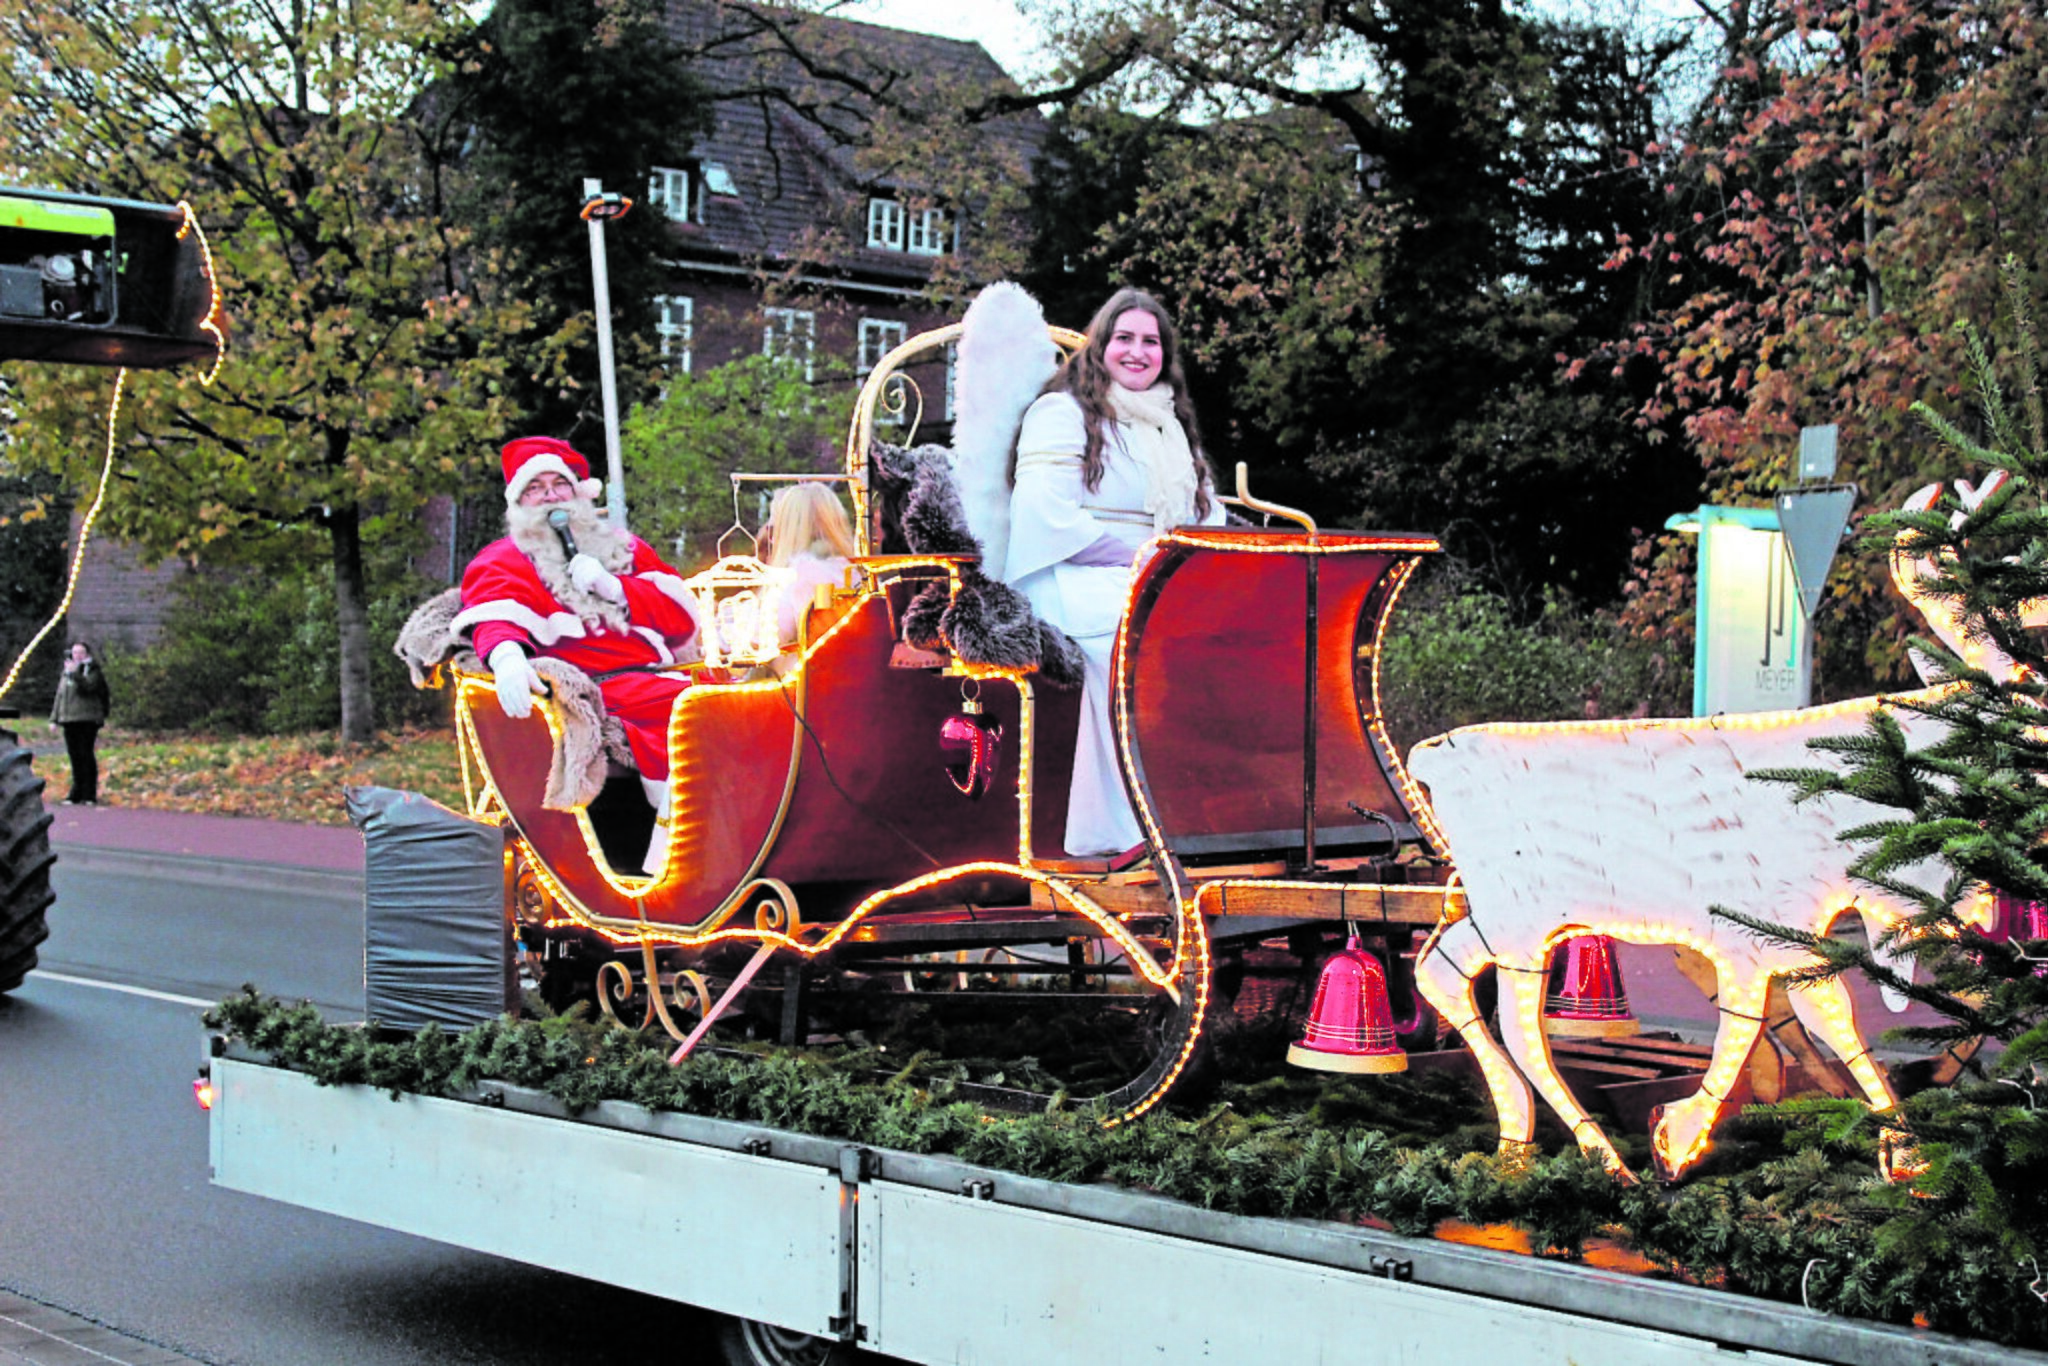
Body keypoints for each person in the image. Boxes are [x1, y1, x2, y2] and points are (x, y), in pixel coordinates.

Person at [1003, 287, 1225, 858]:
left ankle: (1207, 809)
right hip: (1070, 571)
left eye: (1150, 341)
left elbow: (1206, 514)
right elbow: (1046, 513)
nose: (1137, 351)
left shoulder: (1167, 425)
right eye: (1124, 338)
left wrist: (1198, 563)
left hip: (1155, 569)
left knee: (1221, 631)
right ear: (1100, 346)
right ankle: (1123, 828)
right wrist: (1141, 558)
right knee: (1131, 636)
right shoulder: (1063, 412)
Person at [453, 437, 702, 853]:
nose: (551, 495)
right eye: (536, 488)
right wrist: (508, 658)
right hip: (602, 687)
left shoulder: (624, 548)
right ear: (518, 502)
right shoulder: (503, 559)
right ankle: (683, 852)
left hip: (659, 676)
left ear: (579, 493)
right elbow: (495, 617)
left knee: (746, 703)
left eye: (559, 484)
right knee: (700, 716)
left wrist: (616, 587)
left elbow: (682, 620)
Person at [761, 482, 856, 645]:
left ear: (787, 526)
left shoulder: (800, 572)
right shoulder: (853, 569)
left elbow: (770, 636)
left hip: (815, 659)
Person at [50, 641, 110, 805]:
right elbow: (60, 695)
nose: (77, 656)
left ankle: (89, 793)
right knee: (74, 756)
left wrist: (75, 674)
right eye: (75, 652)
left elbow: (88, 688)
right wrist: (54, 718)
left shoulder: (93, 670)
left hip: (87, 720)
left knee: (85, 754)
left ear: (87, 654)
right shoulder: (66, 672)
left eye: (81, 652)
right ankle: (76, 792)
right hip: (69, 720)